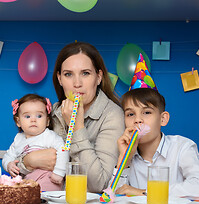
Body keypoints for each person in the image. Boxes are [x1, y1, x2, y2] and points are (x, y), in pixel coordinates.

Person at [18, 42, 125, 193]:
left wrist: (77, 127)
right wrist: (28, 161)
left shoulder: (112, 115)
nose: (77, 83)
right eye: (68, 74)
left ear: (99, 77)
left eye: (85, 73)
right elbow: (18, 158)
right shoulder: (50, 113)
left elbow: (100, 184)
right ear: (60, 79)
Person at [113, 54, 199, 200]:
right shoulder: (127, 154)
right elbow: (111, 195)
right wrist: (124, 160)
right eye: (130, 114)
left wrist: (143, 192)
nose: (138, 120)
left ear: (163, 119)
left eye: (146, 112)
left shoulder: (182, 147)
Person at [2, 94, 69, 191]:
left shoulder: (49, 136)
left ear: (47, 121)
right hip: (26, 180)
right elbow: (8, 156)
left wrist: (59, 172)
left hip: (48, 177)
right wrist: (9, 165)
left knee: (44, 195)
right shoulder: (18, 139)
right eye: (27, 116)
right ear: (18, 121)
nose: (33, 120)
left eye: (39, 116)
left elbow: (63, 150)